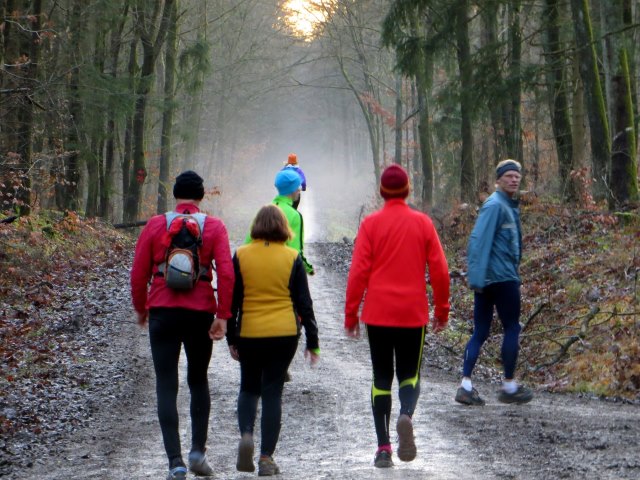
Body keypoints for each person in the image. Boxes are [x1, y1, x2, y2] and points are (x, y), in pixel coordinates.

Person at [344, 164, 450, 468]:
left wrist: (351, 312)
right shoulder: (423, 223)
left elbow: (358, 271)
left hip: (377, 313)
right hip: (412, 314)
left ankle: (383, 448)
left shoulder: (370, 225)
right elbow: (440, 271)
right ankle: (406, 414)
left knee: (380, 377)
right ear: (407, 190)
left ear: (381, 191)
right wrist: (441, 308)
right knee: (409, 374)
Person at [130, 170, 234, 480]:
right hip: (199, 312)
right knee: (198, 381)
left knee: (166, 383)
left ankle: (175, 462)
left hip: (162, 310)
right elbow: (227, 274)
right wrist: (223, 316)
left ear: (175, 195)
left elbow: (138, 273)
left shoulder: (154, 225)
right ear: (201, 197)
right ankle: (198, 453)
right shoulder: (214, 226)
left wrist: (141, 309)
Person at [227, 204, 320, 476]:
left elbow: (232, 302)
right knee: (272, 393)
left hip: (250, 333)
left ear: (256, 226)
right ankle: (266, 458)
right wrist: (312, 341)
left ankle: (246, 435)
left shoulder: (241, 255)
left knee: (248, 388)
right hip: (284, 335)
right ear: (283, 228)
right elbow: (305, 304)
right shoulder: (293, 258)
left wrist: (232, 338)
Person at [454, 159, 533, 407]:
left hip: (492, 279)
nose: (514, 179)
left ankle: (466, 385)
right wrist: (476, 279)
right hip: (500, 279)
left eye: (516, 176)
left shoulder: (506, 205)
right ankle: (508, 386)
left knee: (482, 331)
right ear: (498, 180)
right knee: (510, 328)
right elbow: (478, 241)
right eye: (508, 176)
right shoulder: (495, 205)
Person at [246, 168, 314, 275]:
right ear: (292, 190)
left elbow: (248, 243)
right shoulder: (295, 216)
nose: (299, 189)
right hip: (280, 274)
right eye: (298, 186)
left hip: (256, 273)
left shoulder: (263, 211)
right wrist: (310, 270)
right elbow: (296, 254)